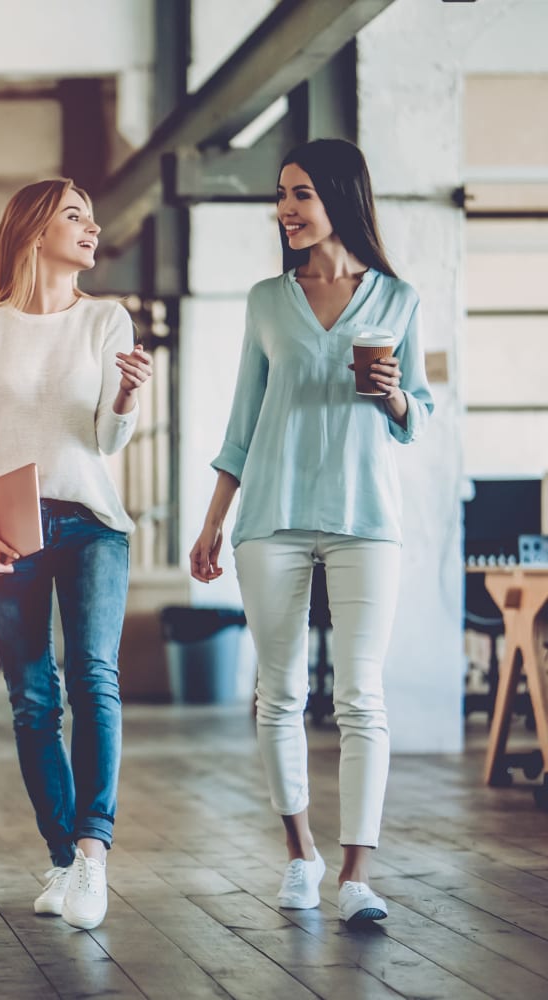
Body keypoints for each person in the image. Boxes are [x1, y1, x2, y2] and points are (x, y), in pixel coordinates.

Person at [189, 138, 434, 925]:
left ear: (338, 197)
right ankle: (301, 855)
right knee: (281, 692)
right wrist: (211, 521)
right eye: (281, 195)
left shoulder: (399, 299)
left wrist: (396, 397)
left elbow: (417, 418)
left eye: (299, 194)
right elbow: (242, 421)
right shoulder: (267, 300)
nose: (285, 209)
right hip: (271, 517)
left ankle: (357, 873)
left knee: (361, 695)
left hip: (366, 520)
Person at [0, 179, 153, 930]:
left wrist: (128, 397)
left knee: (94, 677)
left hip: (92, 521)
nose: (93, 227)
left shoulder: (107, 319)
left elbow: (106, 439)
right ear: (34, 228)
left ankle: (93, 854)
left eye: (93, 217)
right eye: (75, 215)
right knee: (33, 700)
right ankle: (62, 858)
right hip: (7, 528)